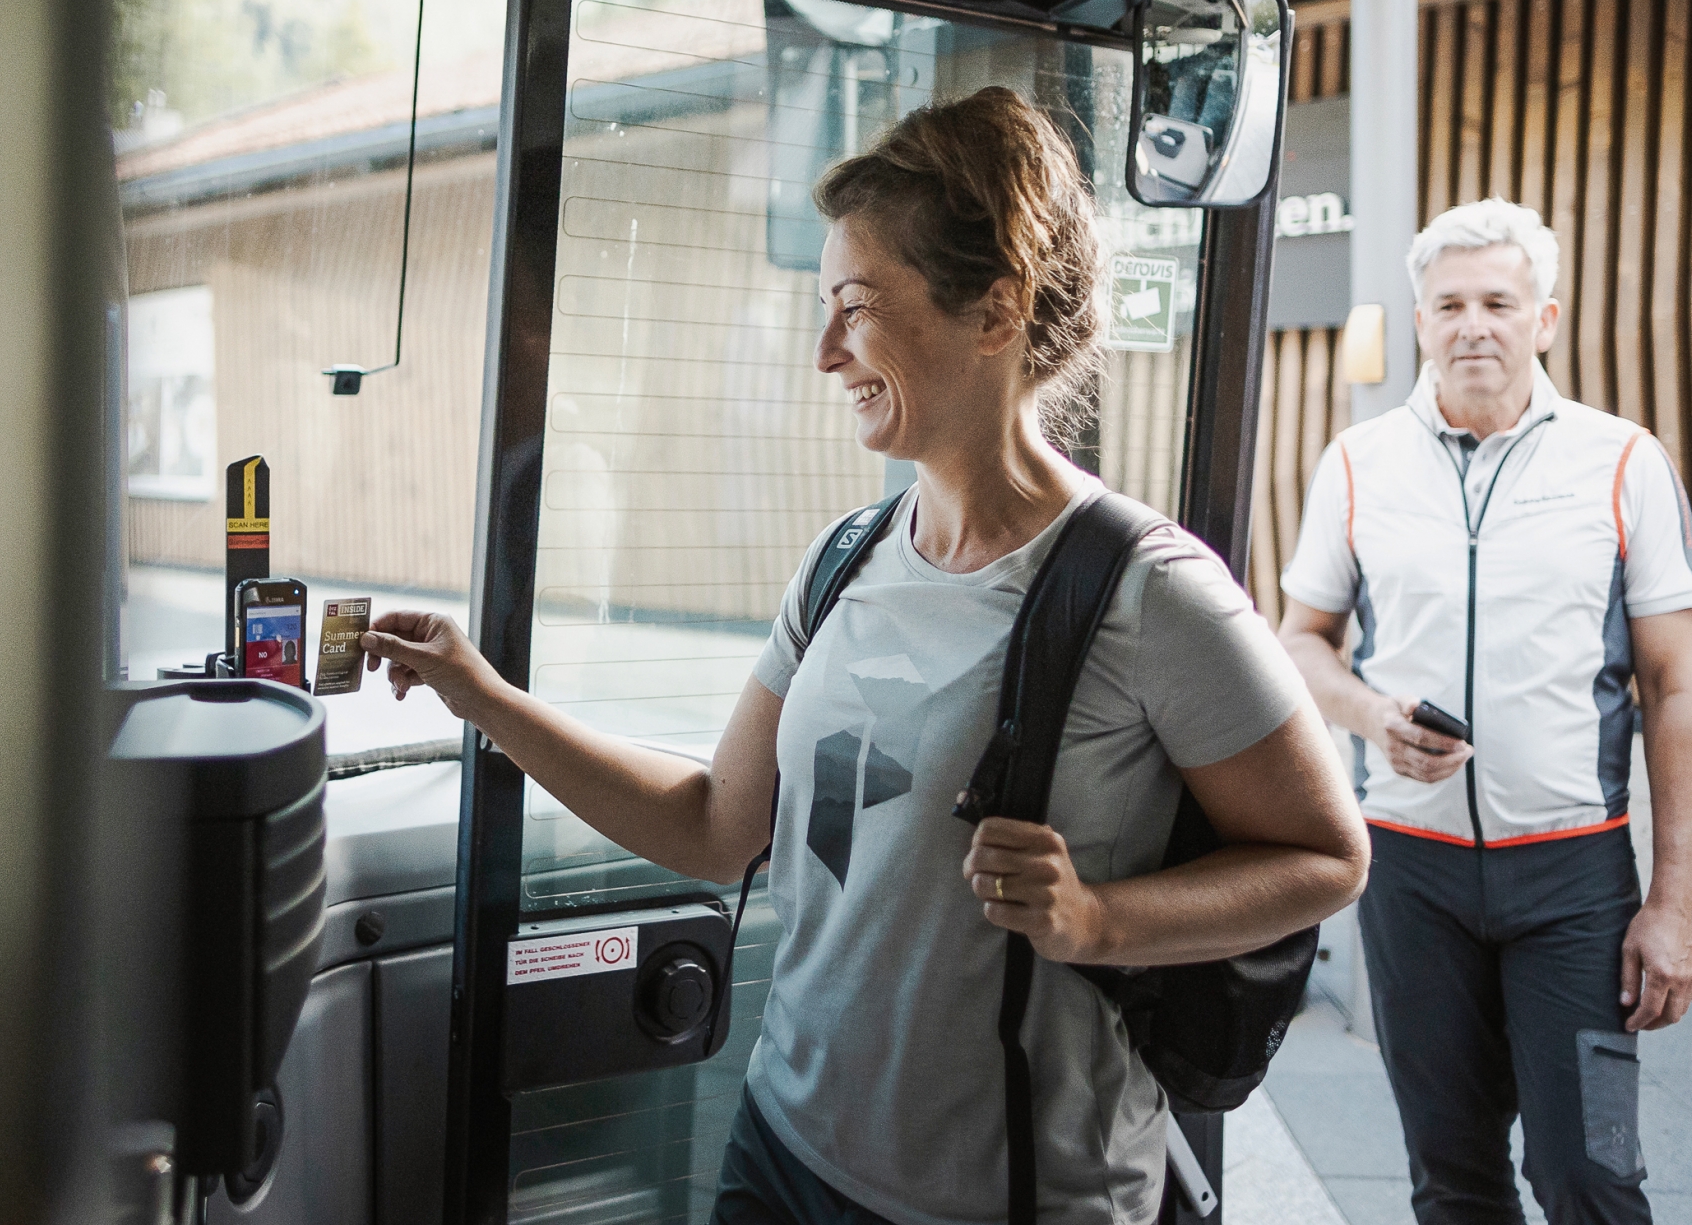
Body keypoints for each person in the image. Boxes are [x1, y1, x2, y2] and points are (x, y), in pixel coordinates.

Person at [361, 88, 1369, 1225]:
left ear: (994, 312)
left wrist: (1100, 918)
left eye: (856, 304)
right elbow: (711, 823)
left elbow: (1326, 856)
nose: (826, 349)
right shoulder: (844, 557)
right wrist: (482, 695)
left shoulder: (1148, 589)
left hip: (1008, 1200)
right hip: (784, 1146)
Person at [1276, 198, 1692, 1225]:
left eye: (1497, 301)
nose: (1473, 322)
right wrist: (1367, 712)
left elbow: (1676, 687)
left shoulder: (1622, 461)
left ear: (1544, 318)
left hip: (1575, 878)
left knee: (1591, 1172)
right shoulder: (1357, 462)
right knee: (1451, 1176)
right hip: (1408, 870)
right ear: (1420, 320)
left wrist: (1673, 904)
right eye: (1448, 303)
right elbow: (1299, 639)